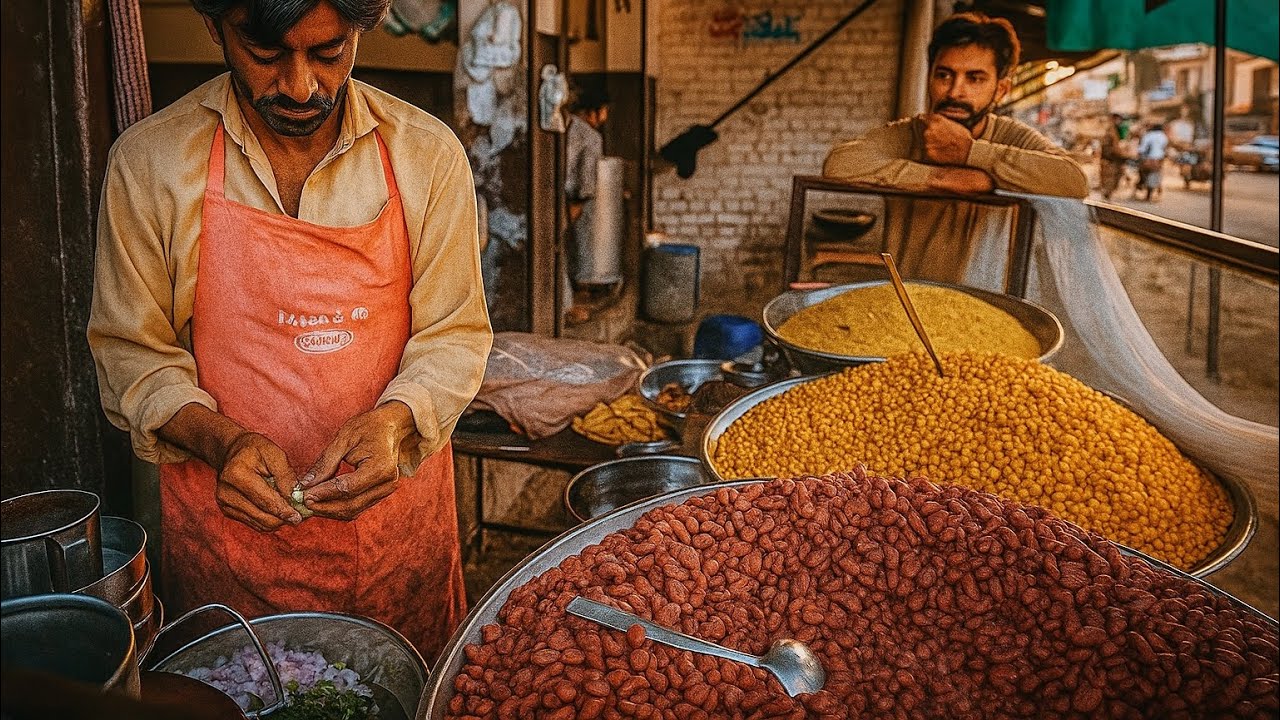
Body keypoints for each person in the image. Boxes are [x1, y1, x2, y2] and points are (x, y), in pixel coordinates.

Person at [87, 0, 492, 662]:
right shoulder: (152, 164)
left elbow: (455, 336)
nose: (301, 86)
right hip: (229, 564)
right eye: (268, 53)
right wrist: (222, 443)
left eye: (328, 52)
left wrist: (394, 422)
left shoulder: (425, 156)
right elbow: (132, 357)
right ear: (217, 27)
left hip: (393, 547)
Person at [823, 12, 1088, 281]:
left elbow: (1073, 180)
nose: (954, 92)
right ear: (930, 77)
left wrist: (969, 153)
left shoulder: (1011, 137)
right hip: (907, 298)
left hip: (986, 303)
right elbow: (839, 163)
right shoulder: (910, 134)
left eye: (975, 79)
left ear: (1001, 90)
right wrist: (942, 178)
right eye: (944, 75)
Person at [563, 84, 610, 325]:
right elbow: (587, 177)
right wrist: (580, 202)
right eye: (604, 112)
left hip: (546, 192)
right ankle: (564, 307)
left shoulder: (560, 124)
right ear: (595, 111)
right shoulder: (590, 136)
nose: (603, 118)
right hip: (568, 197)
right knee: (557, 248)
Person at [1098, 112, 1130, 201]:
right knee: (1109, 180)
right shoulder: (1110, 131)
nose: (1119, 121)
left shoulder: (1116, 131)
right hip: (1110, 159)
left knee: (1115, 179)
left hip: (1115, 159)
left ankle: (1107, 197)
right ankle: (1106, 198)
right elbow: (1108, 147)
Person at [1136, 122, 1170, 202]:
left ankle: (1146, 192)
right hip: (1159, 159)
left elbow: (1142, 149)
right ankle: (1154, 191)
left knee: (1144, 174)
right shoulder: (1163, 136)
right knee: (1156, 174)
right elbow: (1164, 148)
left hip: (1148, 159)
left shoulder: (1148, 135)